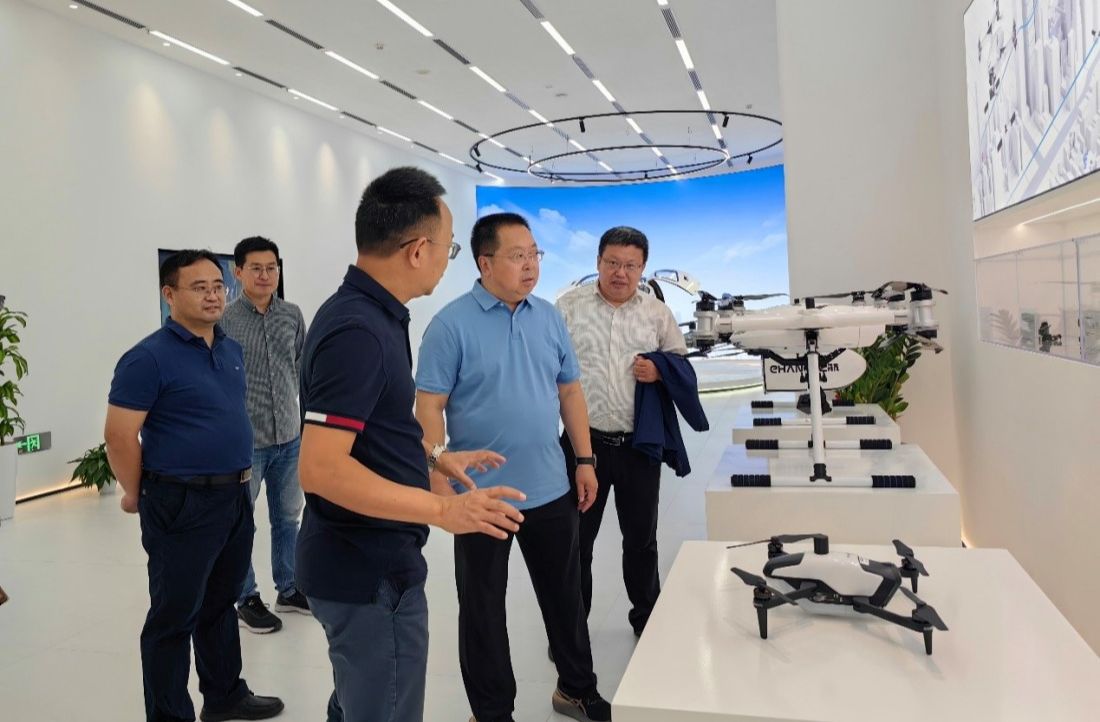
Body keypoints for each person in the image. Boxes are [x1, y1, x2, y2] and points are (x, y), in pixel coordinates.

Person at [296, 167, 526, 722]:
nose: (447, 263)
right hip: (368, 571)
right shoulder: (359, 331)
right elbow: (322, 469)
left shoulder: (373, 315)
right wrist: (443, 510)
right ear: (419, 250)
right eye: (449, 250)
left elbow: (374, 430)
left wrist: (434, 457)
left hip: (364, 561)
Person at [415, 212, 612, 722]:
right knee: (482, 611)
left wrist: (584, 459)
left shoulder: (548, 317)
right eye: (518, 256)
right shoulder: (450, 325)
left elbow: (570, 391)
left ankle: (576, 689)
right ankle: (493, 712)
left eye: (534, 255)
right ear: (485, 263)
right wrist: (440, 479)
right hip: (480, 497)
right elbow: (429, 406)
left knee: (565, 598)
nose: (531, 266)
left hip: (549, 486)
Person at [105, 250, 283, 722]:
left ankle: (224, 696)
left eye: (217, 286)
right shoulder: (147, 358)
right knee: (173, 617)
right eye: (198, 287)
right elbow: (119, 436)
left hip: (234, 495)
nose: (212, 295)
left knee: (220, 603)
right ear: (169, 294)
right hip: (181, 500)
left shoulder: (229, 349)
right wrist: (137, 492)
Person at [556, 226, 689, 638]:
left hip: (638, 447)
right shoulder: (568, 307)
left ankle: (647, 620)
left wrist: (659, 370)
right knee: (575, 543)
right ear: (598, 262)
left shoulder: (657, 313)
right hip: (583, 446)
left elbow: (681, 363)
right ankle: (572, 632)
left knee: (641, 541)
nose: (621, 273)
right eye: (612, 263)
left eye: (631, 265)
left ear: (643, 268)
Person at [220, 236, 309, 634]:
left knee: (288, 518)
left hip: (289, 436)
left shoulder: (291, 315)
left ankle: (289, 588)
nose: (265, 275)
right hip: (245, 442)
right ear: (238, 272)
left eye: (271, 267)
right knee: (241, 524)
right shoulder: (225, 321)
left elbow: (303, 370)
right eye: (256, 268)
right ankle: (246, 597)